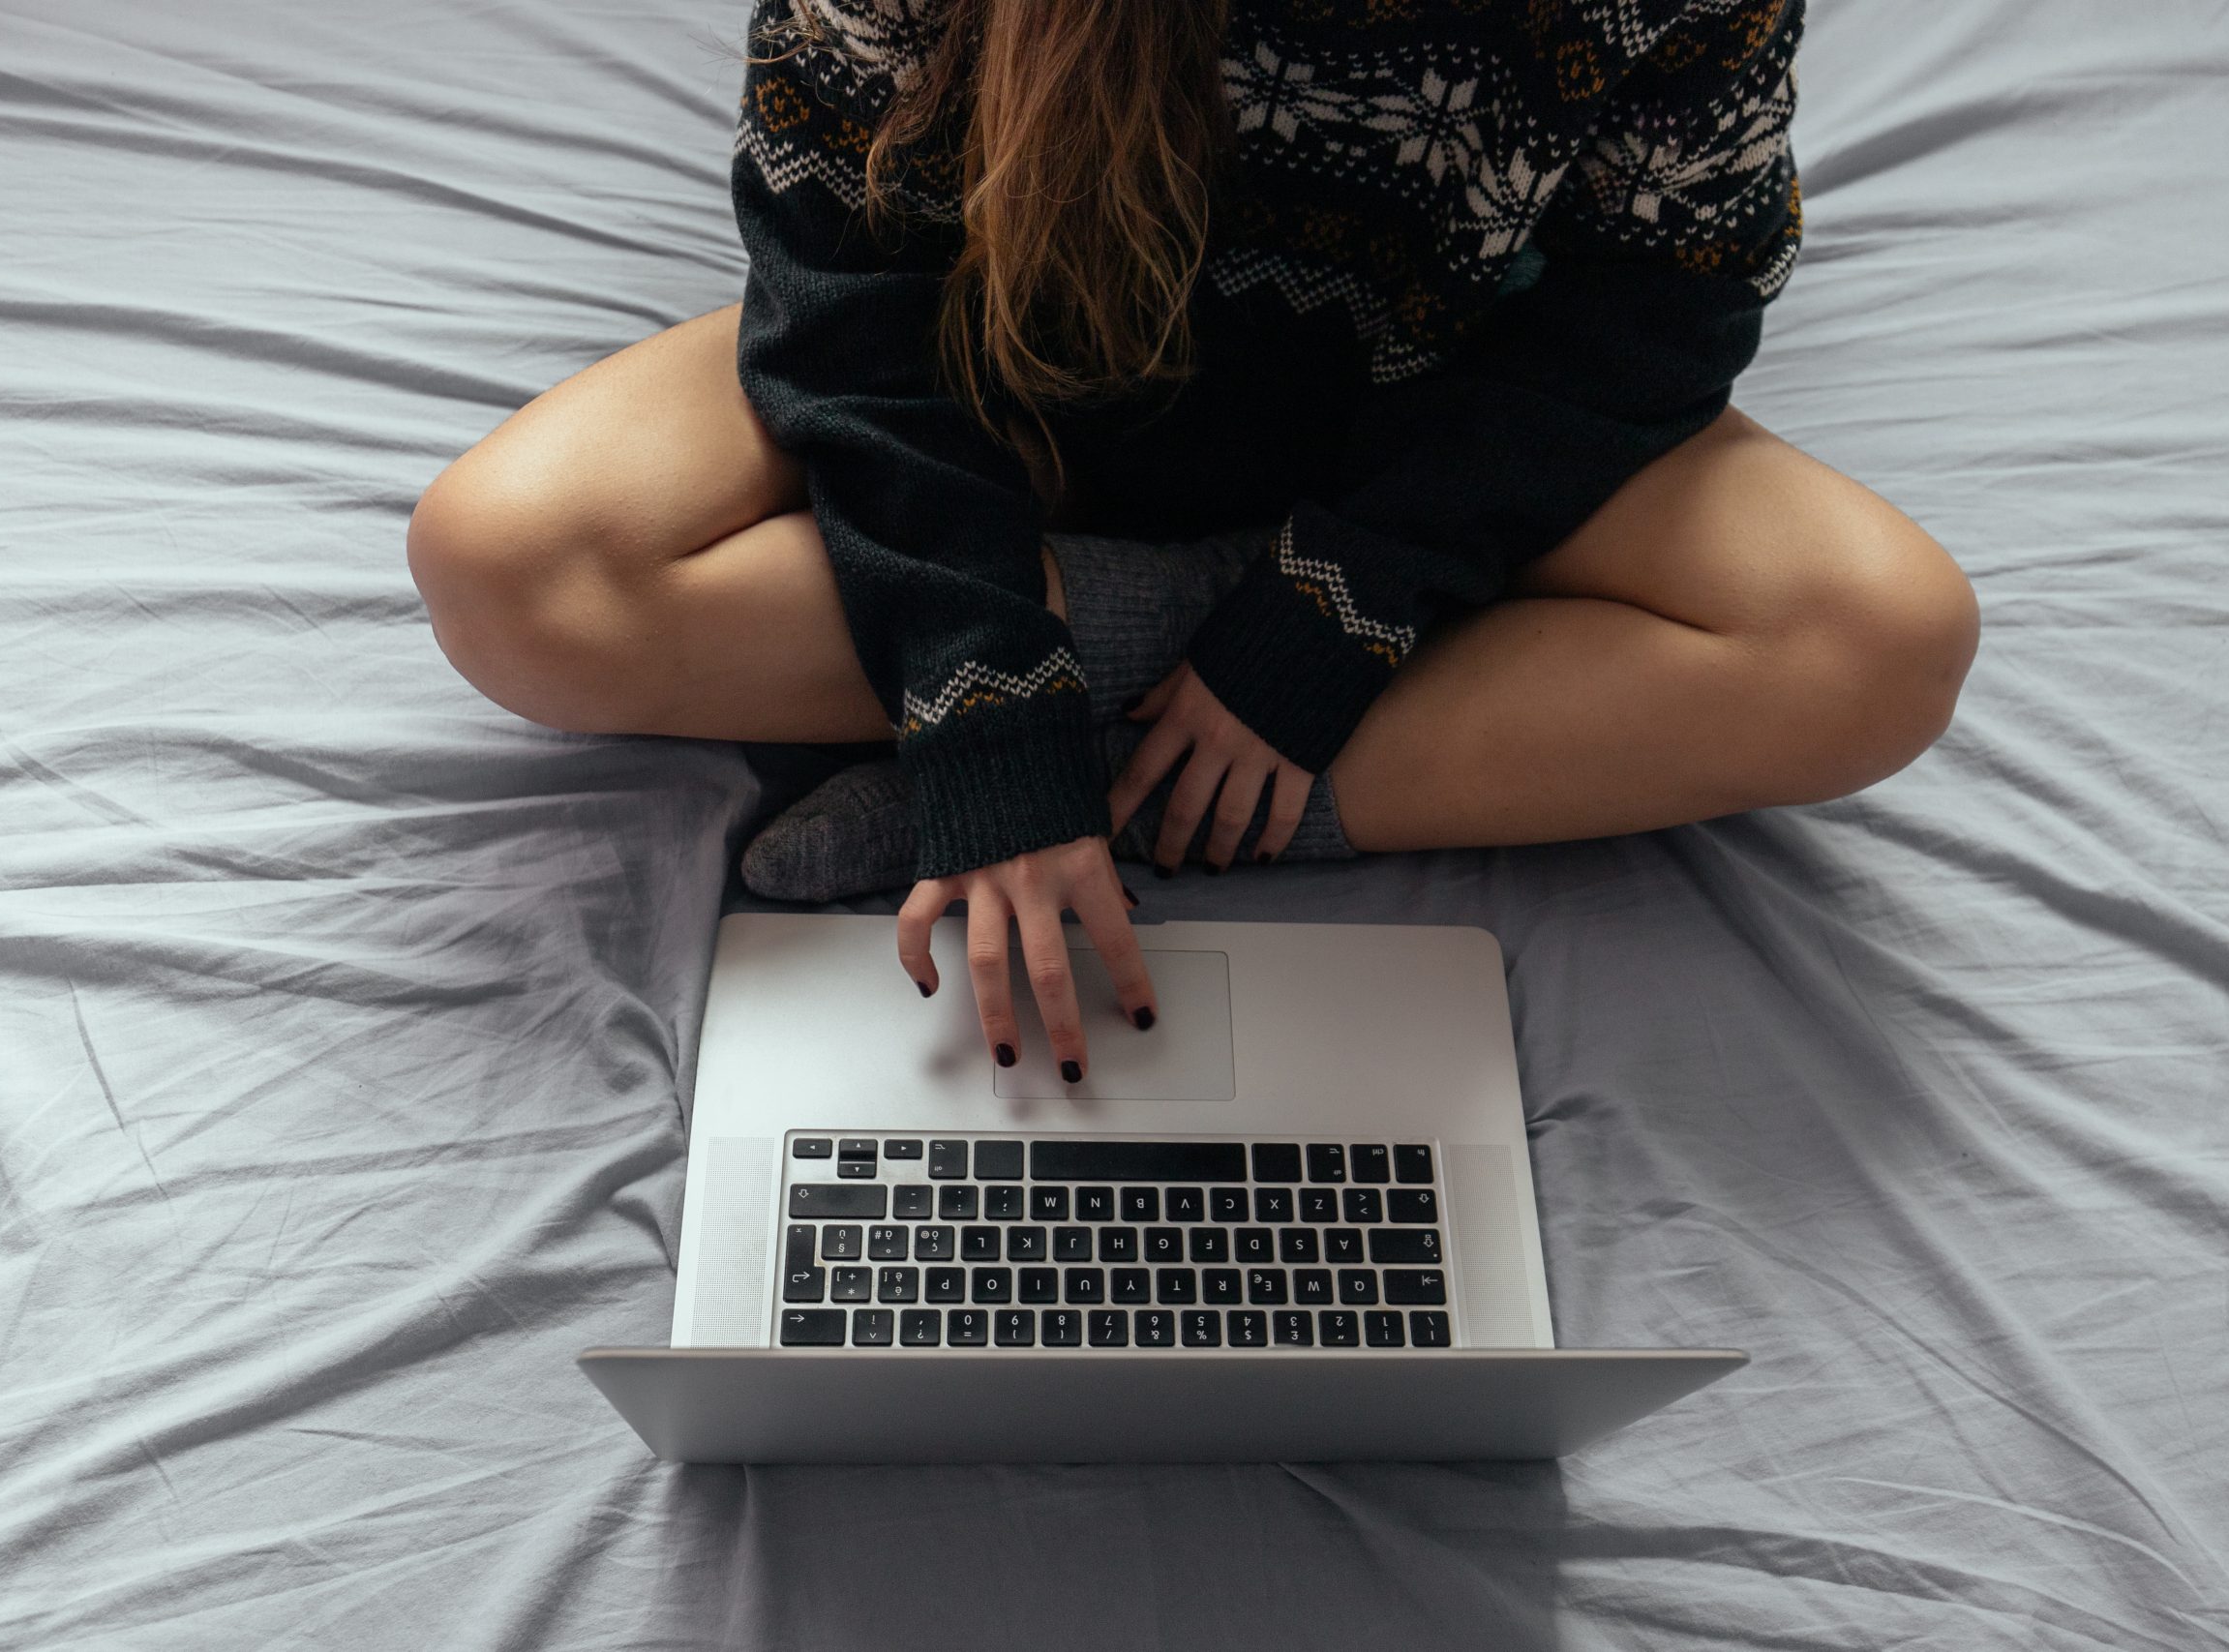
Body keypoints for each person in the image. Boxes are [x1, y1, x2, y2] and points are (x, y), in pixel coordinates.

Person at [406, 0, 1978, 1084]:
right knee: (511, 568)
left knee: (1883, 645)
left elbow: (1661, 299)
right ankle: (1088, 716)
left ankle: (1119, 776)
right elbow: (844, 278)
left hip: (1435, 426)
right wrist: (980, 690)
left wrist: (1341, 610)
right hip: (991, 370)